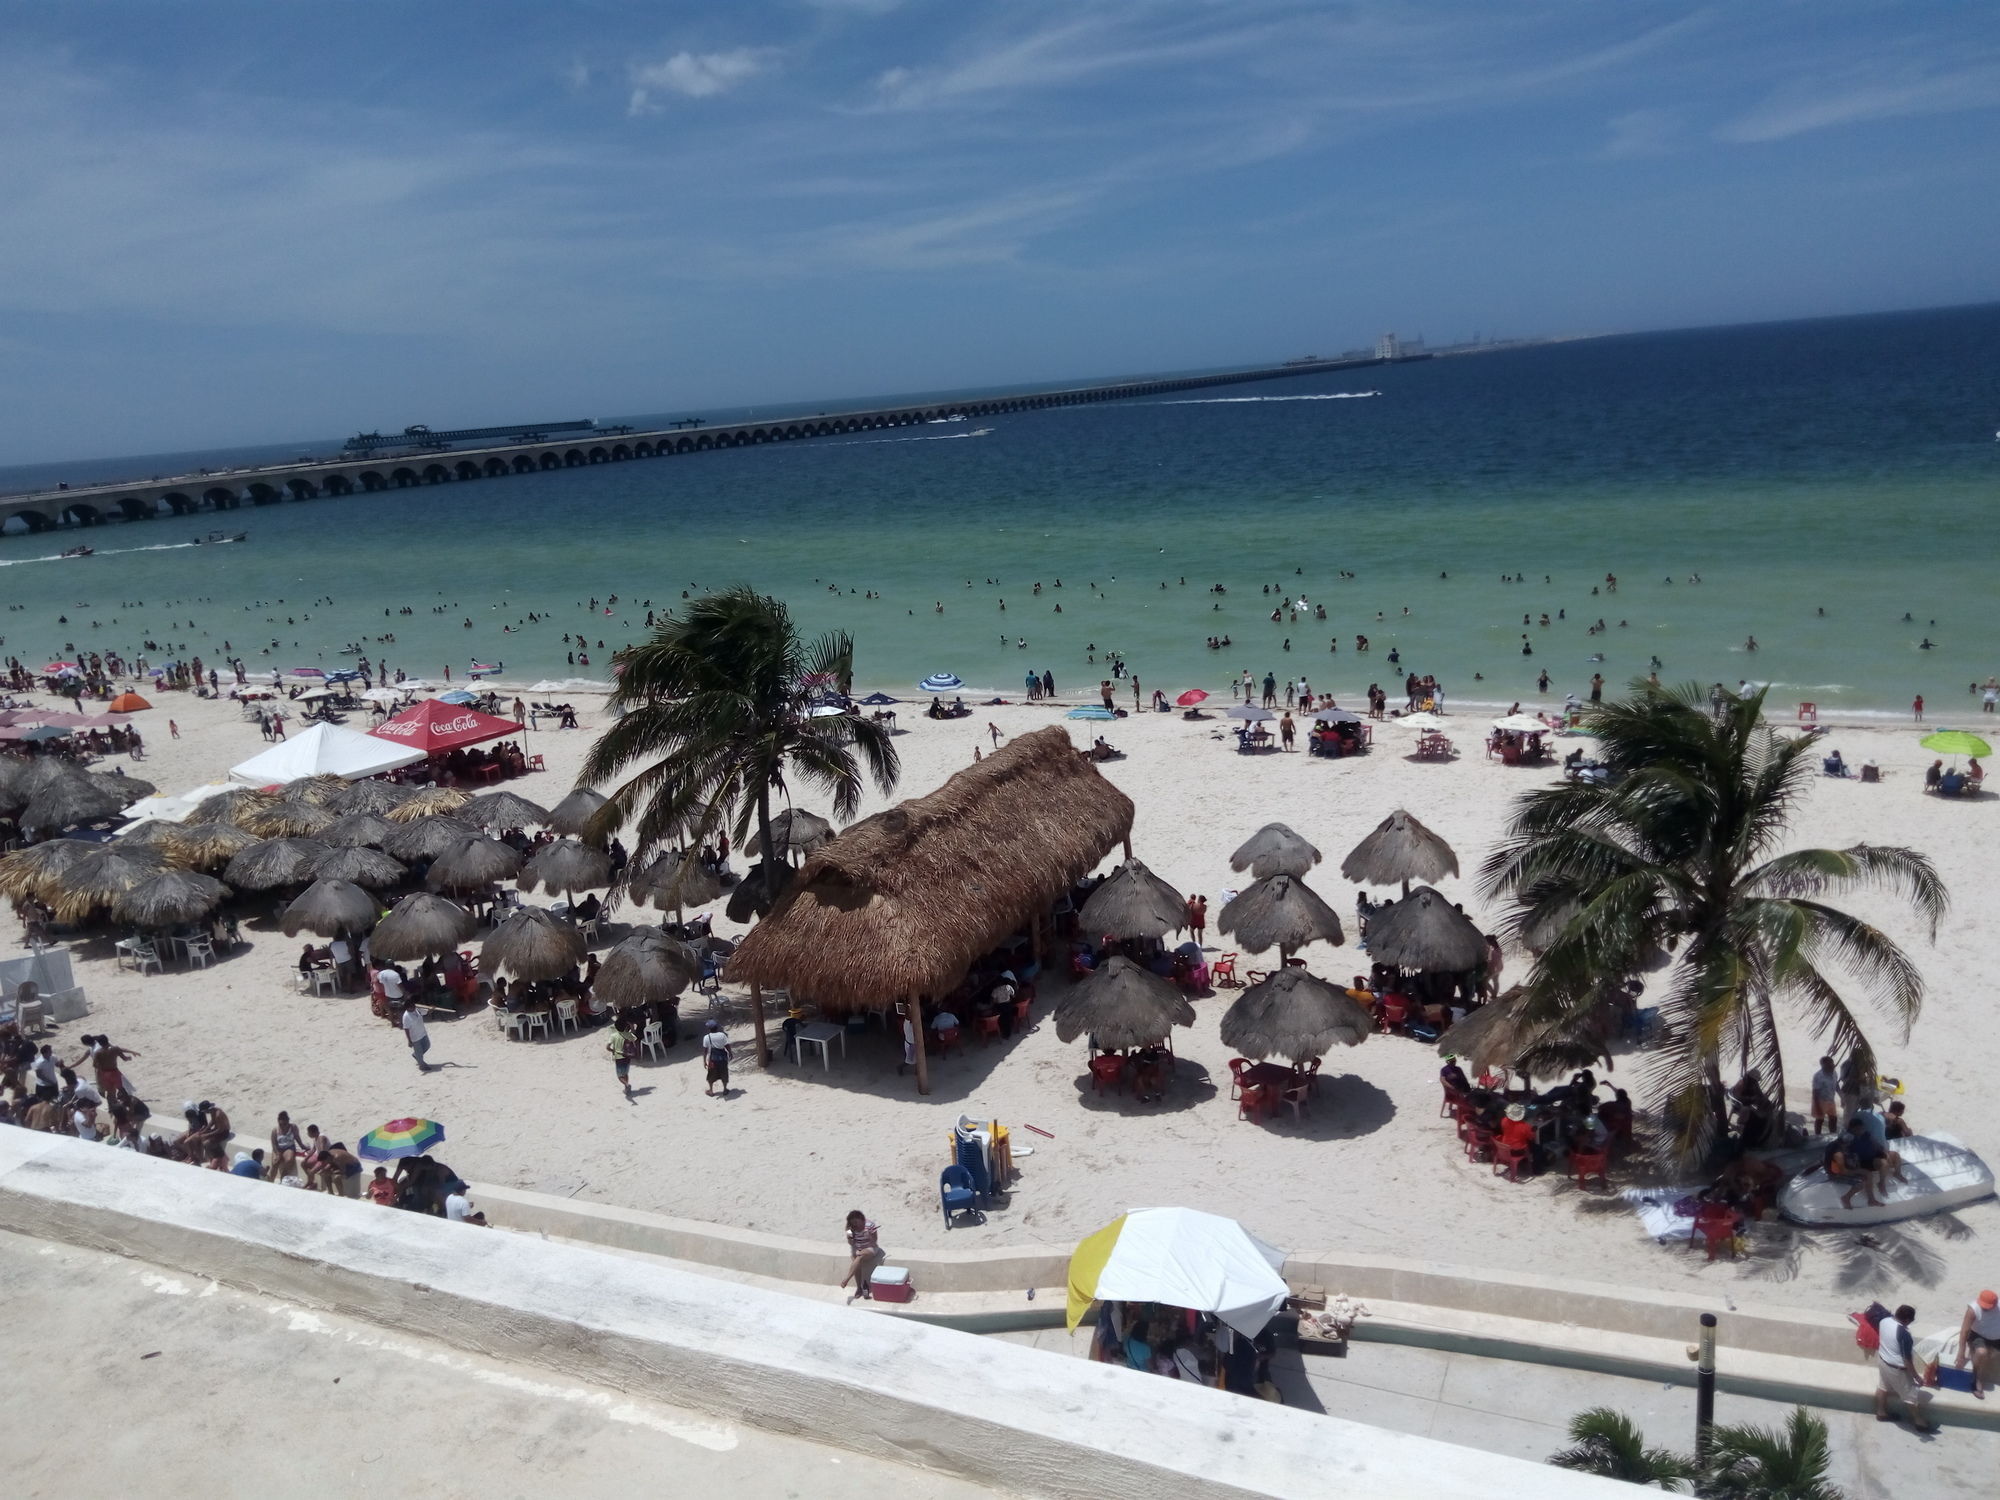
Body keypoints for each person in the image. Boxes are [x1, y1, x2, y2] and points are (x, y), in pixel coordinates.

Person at [1875, 1304, 1936, 1430]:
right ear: (1907, 1320)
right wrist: (1916, 1377)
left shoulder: (1884, 1321)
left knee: (1883, 1387)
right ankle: (1919, 1422)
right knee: (1910, 1396)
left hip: (1882, 1361)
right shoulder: (1904, 1334)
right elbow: (1907, 1360)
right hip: (1897, 1369)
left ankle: (1881, 1412)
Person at [1956, 1289, 2000, 1399]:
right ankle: (1977, 1378)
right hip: (1978, 1335)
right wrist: (1961, 1353)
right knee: (1981, 1353)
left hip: (1996, 1338)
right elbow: (1964, 1331)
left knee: (1992, 1354)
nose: (1985, 1308)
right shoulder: (1973, 1309)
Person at [841, 1210, 884, 1302]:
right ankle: (859, 1288)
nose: (855, 1225)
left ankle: (847, 1280)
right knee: (857, 1261)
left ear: (861, 1219)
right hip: (857, 1248)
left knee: (859, 1257)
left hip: (870, 1247)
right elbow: (851, 1243)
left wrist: (869, 1236)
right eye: (853, 1223)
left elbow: (874, 1242)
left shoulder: (870, 1225)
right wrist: (850, 1237)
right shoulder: (850, 1227)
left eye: (856, 1222)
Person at [1810, 1055, 1840, 1136]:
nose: (1832, 1066)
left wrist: (1841, 1095)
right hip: (1820, 1100)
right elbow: (1815, 1092)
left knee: (1833, 1118)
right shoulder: (1818, 1076)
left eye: (1832, 1063)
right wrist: (1818, 1107)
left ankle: (1832, 1135)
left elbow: (1836, 1085)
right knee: (1819, 1120)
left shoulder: (1834, 1073)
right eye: (1829, 1064)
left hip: (1831, 1100)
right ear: (1824, 1065)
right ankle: (1817, 1136)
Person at [700, 1019, 730, 1097]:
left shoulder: (706, 1037)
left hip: (712, 1060)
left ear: (709, 1029)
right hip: (723, 1058)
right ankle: (725, 1089)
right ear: (717, 1028)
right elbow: (727, 1045)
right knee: (724, 1073)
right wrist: (730, 1053)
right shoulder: (722, 1035)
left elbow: (705, 1051)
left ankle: (711, 1091)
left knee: (711, 1075)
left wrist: (704, 1061)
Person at [607, 1018, 636, 1100]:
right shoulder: (628, 1035)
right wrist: (631, 1026)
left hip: (619, 1058)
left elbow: (607, 1047)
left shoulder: (613, 1036)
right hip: (627, 1057)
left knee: (619, 1076)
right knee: (625, 1073)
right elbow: (634, 1034)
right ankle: (626, 1088)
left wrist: (613, 1051)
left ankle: (627, 1085)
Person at [400, 1002, 431, 1072]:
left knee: (427, 1045)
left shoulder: (417, 1010)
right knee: (419, 1052)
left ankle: (416, 1055)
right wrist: (409, 1040)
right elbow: (406, 1029)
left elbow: (426, 1012)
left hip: (423, 1033)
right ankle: (422, 1065)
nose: (414, 1007)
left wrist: (431, 1009)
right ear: (408, 1008)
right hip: (415, 1037)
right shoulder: (406, 1017)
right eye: (412, 1007)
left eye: (414, 1006)